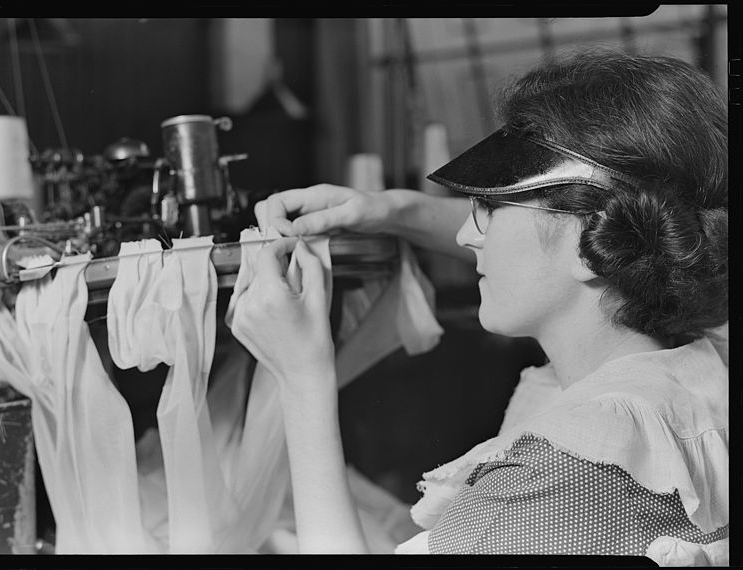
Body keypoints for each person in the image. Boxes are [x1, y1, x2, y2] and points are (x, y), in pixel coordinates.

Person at [229, 49, 729, 560]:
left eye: (489, 207)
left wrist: (301, 378)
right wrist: (392, 210)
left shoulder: (546, 480)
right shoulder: (701, 371)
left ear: (592, 244)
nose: (467, 234)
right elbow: (557, 244)